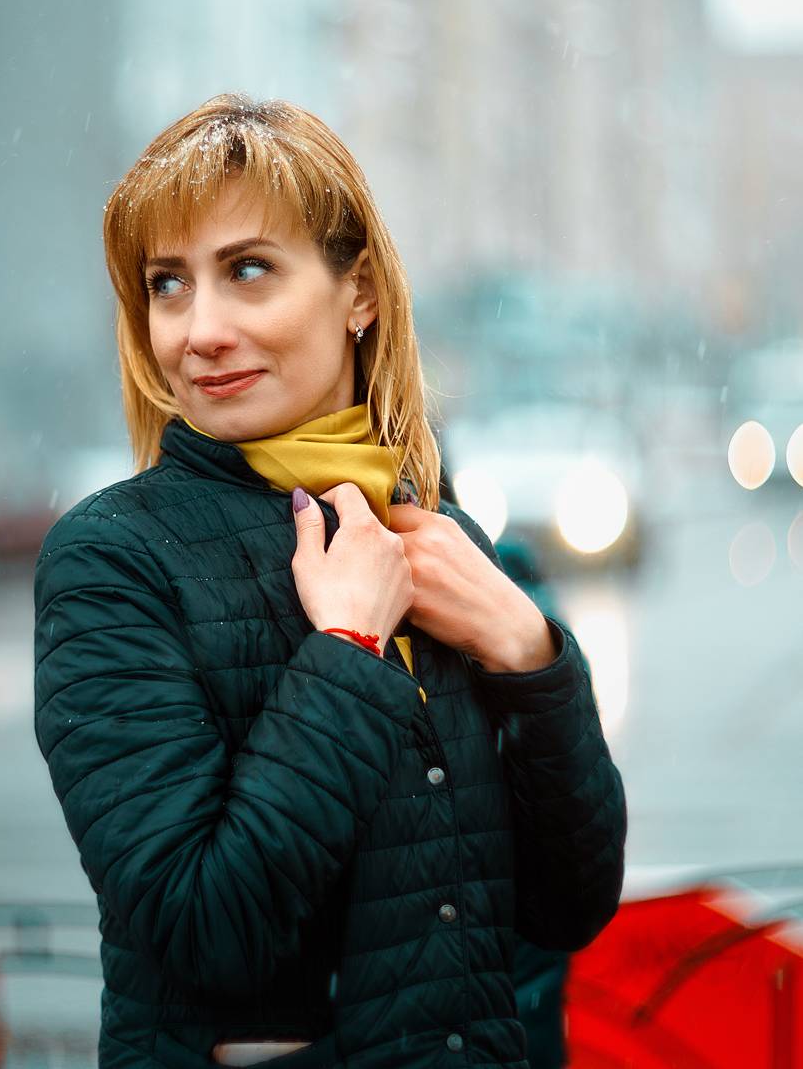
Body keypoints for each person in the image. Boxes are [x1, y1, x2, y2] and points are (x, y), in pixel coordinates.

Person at [31, 94, 626, 1068]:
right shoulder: (112, 560)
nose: (200, 329)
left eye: (247, 270)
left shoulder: (439, 531)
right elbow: (207, 929)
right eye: (169, 284)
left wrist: (528, 651)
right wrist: (347, 650)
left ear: (360, 294)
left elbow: (572, 902)